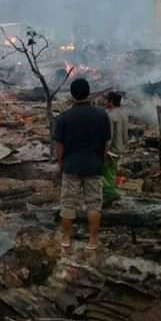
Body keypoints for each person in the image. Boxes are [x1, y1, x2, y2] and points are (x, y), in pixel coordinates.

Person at [54, 78, 111, 250]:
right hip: (94, 166)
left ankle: (66, 239)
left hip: (71, 167)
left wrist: (60, 164)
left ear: (72, 95)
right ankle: (93, 241)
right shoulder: (102, 115)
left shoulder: (64, 117)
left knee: (68, 204)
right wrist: (101, 158)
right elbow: (107, 142)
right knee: (94, 204)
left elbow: (59, 146)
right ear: (88, 93)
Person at [103, 92, 129, 202]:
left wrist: (104, 152)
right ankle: (112, 191)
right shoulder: (124, 115)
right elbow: (125, 136)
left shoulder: (110, 116)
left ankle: (110, 195)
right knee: (112, 172)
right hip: (120, 149)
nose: (105, 102)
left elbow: (109, 138)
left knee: (106, 173)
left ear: (110, 102)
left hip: (111, 151)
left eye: (107, 100)